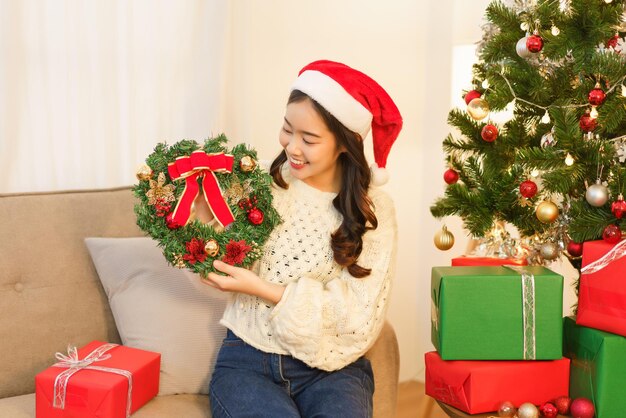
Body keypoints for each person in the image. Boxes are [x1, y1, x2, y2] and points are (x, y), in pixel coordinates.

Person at [203, 59, 402, 418]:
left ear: (346, 143)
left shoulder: (375, 210)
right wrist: (204, 229)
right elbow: (223, 255)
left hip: (335, 371)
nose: (293, 147)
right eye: (287, 130)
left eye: (309, 139)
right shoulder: (259, 184)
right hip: (247, 362)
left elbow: (358, 316)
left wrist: (265, 289)